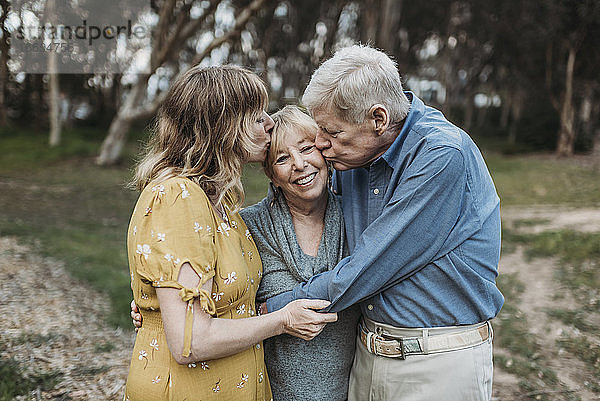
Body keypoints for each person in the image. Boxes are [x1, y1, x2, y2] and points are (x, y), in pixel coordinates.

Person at [264, 44, 505, 401]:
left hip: (436, 363)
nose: (320, 143)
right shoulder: (355, 155)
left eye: (331, 131)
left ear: (378, 119)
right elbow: (294, 195)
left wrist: (268, 311)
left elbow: (369, 267)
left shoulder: (441, 155)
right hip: (367, 355)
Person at [124, 65, 337, 401]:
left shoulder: (220, 204)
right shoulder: (177, 197)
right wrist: (283, 320)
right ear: (223, 129)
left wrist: (157, 308)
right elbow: (190, 341)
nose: (269, 123)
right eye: (256, 117)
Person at [240, 106, 361, 401]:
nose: (299, 164)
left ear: (323, 151)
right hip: (271, 389)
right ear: (271, 173)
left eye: (306, 149)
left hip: (351, 387)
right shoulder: (249, 226)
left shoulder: (356, 217)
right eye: (282, 158)